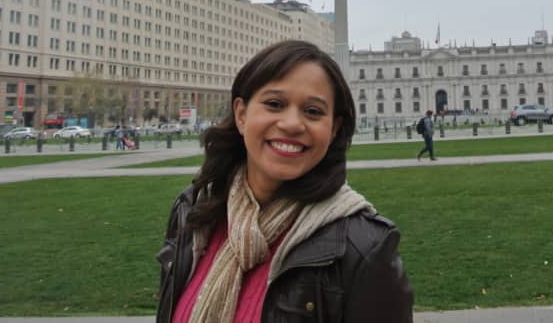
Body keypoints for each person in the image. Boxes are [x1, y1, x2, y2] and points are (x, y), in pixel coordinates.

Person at [156, 40, 413, 323]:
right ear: (241, 114)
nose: (292, 124)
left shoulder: (363, 250)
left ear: (333, 128)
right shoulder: (194, 212)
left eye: (313, 111)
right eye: (274, 104)